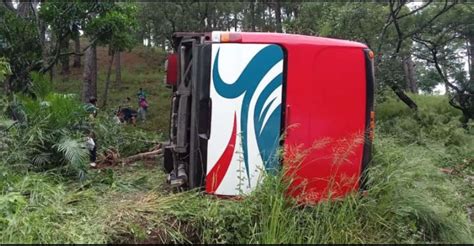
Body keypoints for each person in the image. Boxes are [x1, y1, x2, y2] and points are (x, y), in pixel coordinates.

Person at [83, 96, 98, 167]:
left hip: (81, 128)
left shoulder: (84, 106)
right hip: (87, 129)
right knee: (92, 146)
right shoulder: (93, 108)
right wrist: (91, 130)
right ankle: (92, 162)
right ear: (95, 102)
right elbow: (91, 117)